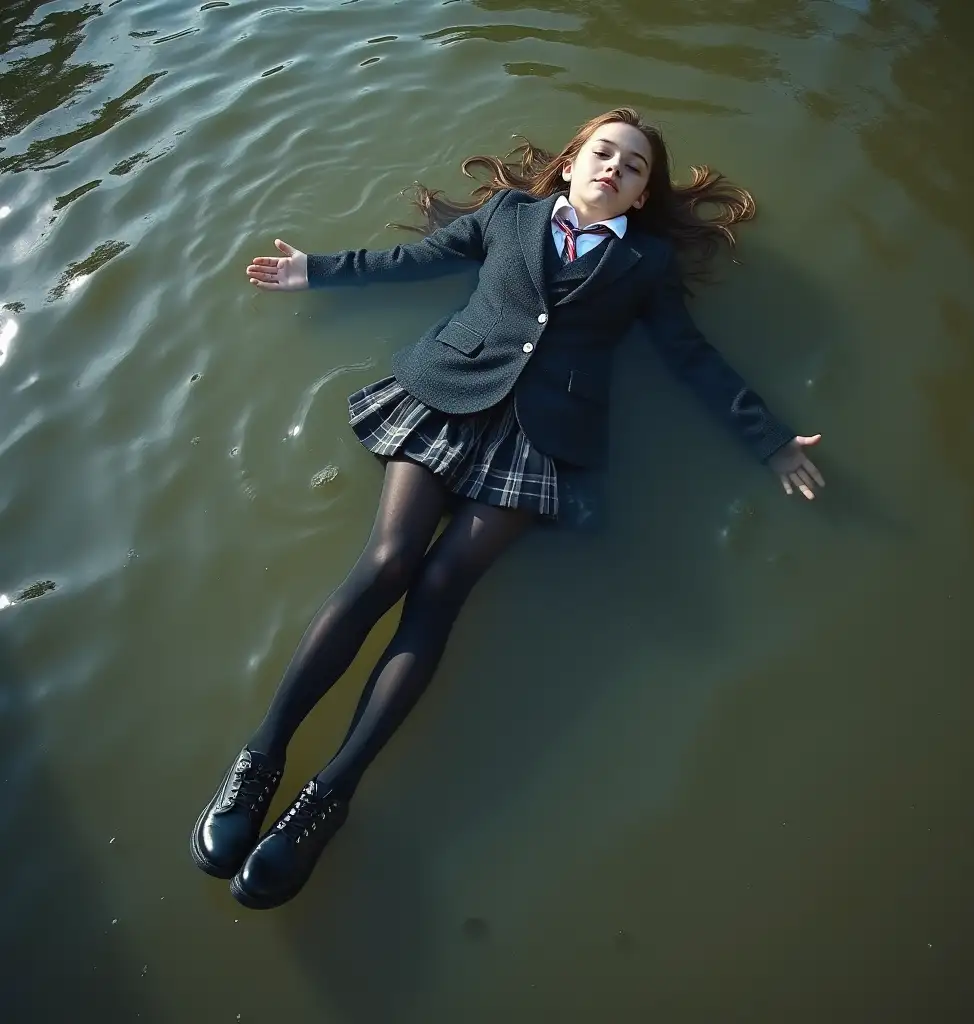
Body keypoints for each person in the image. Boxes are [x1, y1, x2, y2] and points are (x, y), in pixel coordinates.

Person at [190, 107, 825, 910]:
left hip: (543, 438)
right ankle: (262, 758)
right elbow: (413, 259)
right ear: (570, 164)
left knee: (441, 590)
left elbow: (690, 356)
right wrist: (316, 271)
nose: (614, 170)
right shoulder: (508, 215)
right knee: (387, 563)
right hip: (446, 396)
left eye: (633, 169)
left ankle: (329, 796)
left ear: (638, 197)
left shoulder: (647, 265)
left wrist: (767, 438)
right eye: (604, 154)